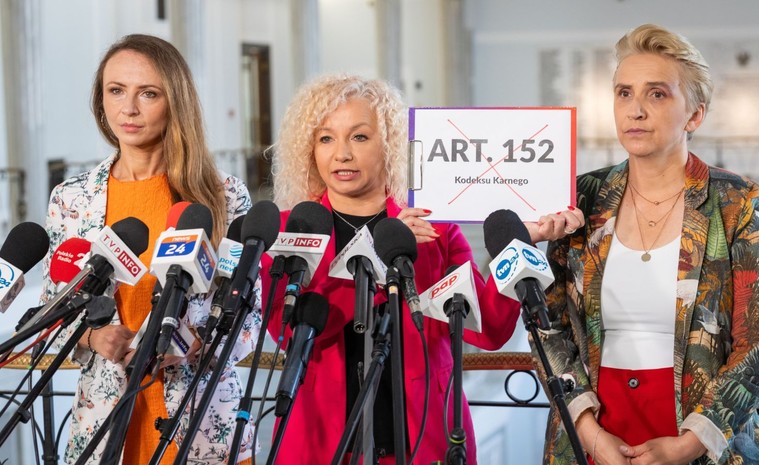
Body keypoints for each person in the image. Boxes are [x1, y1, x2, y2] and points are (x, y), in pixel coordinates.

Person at [261, 74, 583, 464]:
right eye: (326, 138)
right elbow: (286, 328)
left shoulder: (435, 229)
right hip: (318, 440)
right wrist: (375, 258)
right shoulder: (292, 228)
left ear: (390, 144)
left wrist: (520, 244)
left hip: (423, 436)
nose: (341, 154)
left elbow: (489, 330)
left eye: (359, 137)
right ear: (309, 148)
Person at [535, 24, 759, 465]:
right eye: (624, 93)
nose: (636, 110)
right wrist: (590, 435)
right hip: (593, 435)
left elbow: (758, 341)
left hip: (699, 435)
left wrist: (691, 443)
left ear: (694, 115)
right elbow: (548, 327)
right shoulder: (581, 197)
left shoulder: (737, 201)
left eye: (656, 94)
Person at [41, 34, 257, 465]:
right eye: (116, 90)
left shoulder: (225, 197)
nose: (129, 108)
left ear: (175, 100)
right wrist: (94, 336)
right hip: (104, 425)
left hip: (199, 421)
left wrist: (192, 343)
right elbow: (53, 310)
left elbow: (249, 315)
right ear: (100, 100)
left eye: (148, 93)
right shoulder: (71, 200)